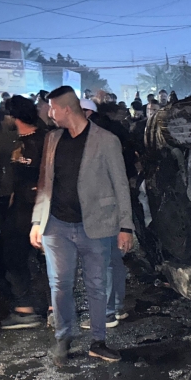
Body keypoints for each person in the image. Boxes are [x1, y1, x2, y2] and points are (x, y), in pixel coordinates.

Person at [30, 86, 133, 365]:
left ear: (65, 109)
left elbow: (121, 185)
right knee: (60, 285)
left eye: (52, 108)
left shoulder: (106, 140)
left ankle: (98, 341)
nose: (49, 113)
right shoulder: (52, 139)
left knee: (96, 285)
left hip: (96, 226)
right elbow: (45, 183)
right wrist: (37, 221)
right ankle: (63, 339)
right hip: (56, 226)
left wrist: (126, 226)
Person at [79, 98, 130, 330]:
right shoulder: (111, 130)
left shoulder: (99, 136)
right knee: (112, 260)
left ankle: (107, 313)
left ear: (87, 112)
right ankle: (116, 306)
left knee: (102, 262)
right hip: (110, 204)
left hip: (102, 207)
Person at [0, 96, 46, 329]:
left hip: (37, 209)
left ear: (14, 116)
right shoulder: (17, 141)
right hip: (19, 208)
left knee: (39, 257)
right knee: (14, 255)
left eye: (5, 114)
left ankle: (39, 308)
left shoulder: (44, 140)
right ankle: (29, 306)